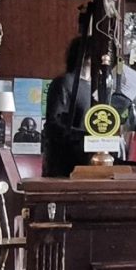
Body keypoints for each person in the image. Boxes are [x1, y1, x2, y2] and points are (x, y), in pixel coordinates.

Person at [42, 37, 92, 177]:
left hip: (87, 161)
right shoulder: (64, 83)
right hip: (64, 163)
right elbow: (53, 125)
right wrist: (85, 136)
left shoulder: (95, 88)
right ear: (84, 53)